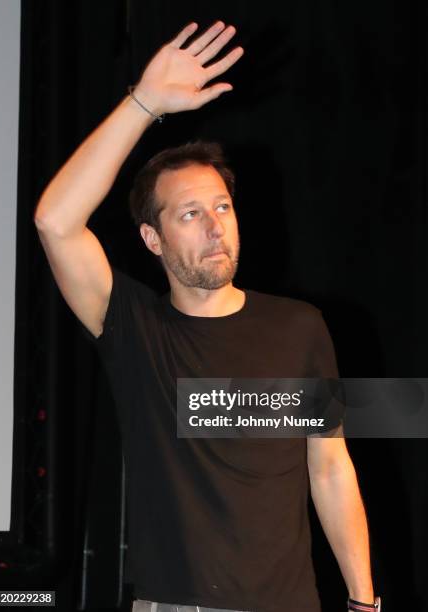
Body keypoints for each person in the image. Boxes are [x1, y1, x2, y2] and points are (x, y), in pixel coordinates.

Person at [34, 20, 380, 612]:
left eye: (222, 206)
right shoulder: (134, 327)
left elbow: (329, 468)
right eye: (190, 213)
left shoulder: (300, 327)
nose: (215, 224)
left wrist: (364, 600)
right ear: (151, 238)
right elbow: (55, 222)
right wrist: (145, 103)